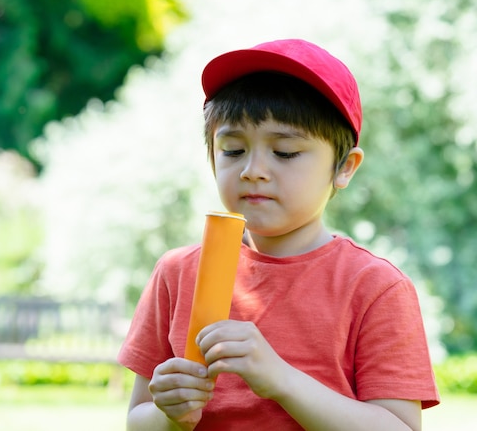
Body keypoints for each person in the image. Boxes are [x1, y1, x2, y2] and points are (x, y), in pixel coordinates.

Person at [118, 38, 440, 431]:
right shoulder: (177, 272)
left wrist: (282, 380)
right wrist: (172, 416)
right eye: (233, 150)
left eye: (285, 152)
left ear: (345, 167)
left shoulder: (375, 288)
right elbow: (137, 419)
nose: (253, 170)